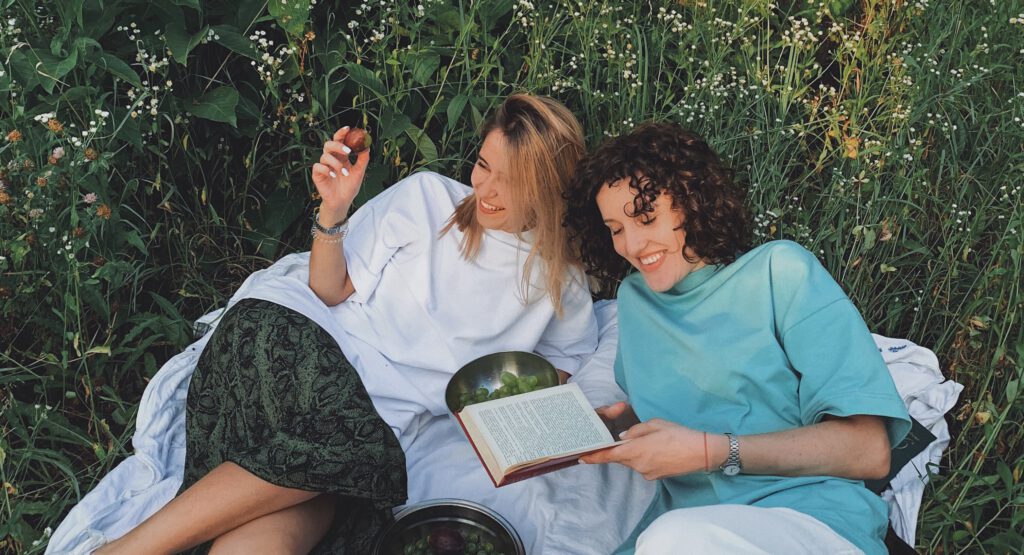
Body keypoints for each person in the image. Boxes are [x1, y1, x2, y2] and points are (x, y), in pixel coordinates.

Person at [94, 94, 598, 554]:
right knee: (339, 454)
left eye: (512, 181)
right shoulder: (428, 200)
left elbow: (565, 366)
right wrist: (334, 209)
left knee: (320, 505)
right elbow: (329, 288)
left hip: (367, 435)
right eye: (484, 166)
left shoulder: (560, 282)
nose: (486, 189)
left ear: (549, 188)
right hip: (298, 345)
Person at [563, 122, 911, 555]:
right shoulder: (635, 303)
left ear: (691, 201)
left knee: (674, 541)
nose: (632, 244)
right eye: (615, 228)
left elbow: (869, 450)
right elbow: (697, 405)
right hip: (687, 526)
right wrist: (619, 425)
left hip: (805, 520)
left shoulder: (778, 272)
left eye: (646, 217)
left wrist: (712, 452)